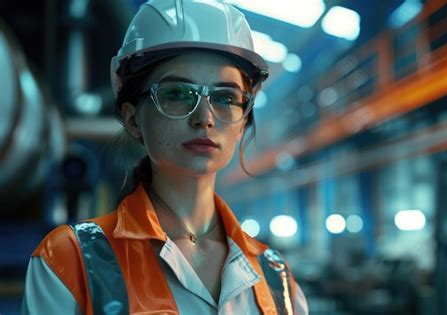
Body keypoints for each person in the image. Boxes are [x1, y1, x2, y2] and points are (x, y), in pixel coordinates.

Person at [21, 0, 309, 314]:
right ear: (133, 120)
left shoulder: (275, 278)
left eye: (225, 97)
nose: (205, 117)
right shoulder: (69, 260)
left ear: (242, 123)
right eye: (176, 94)